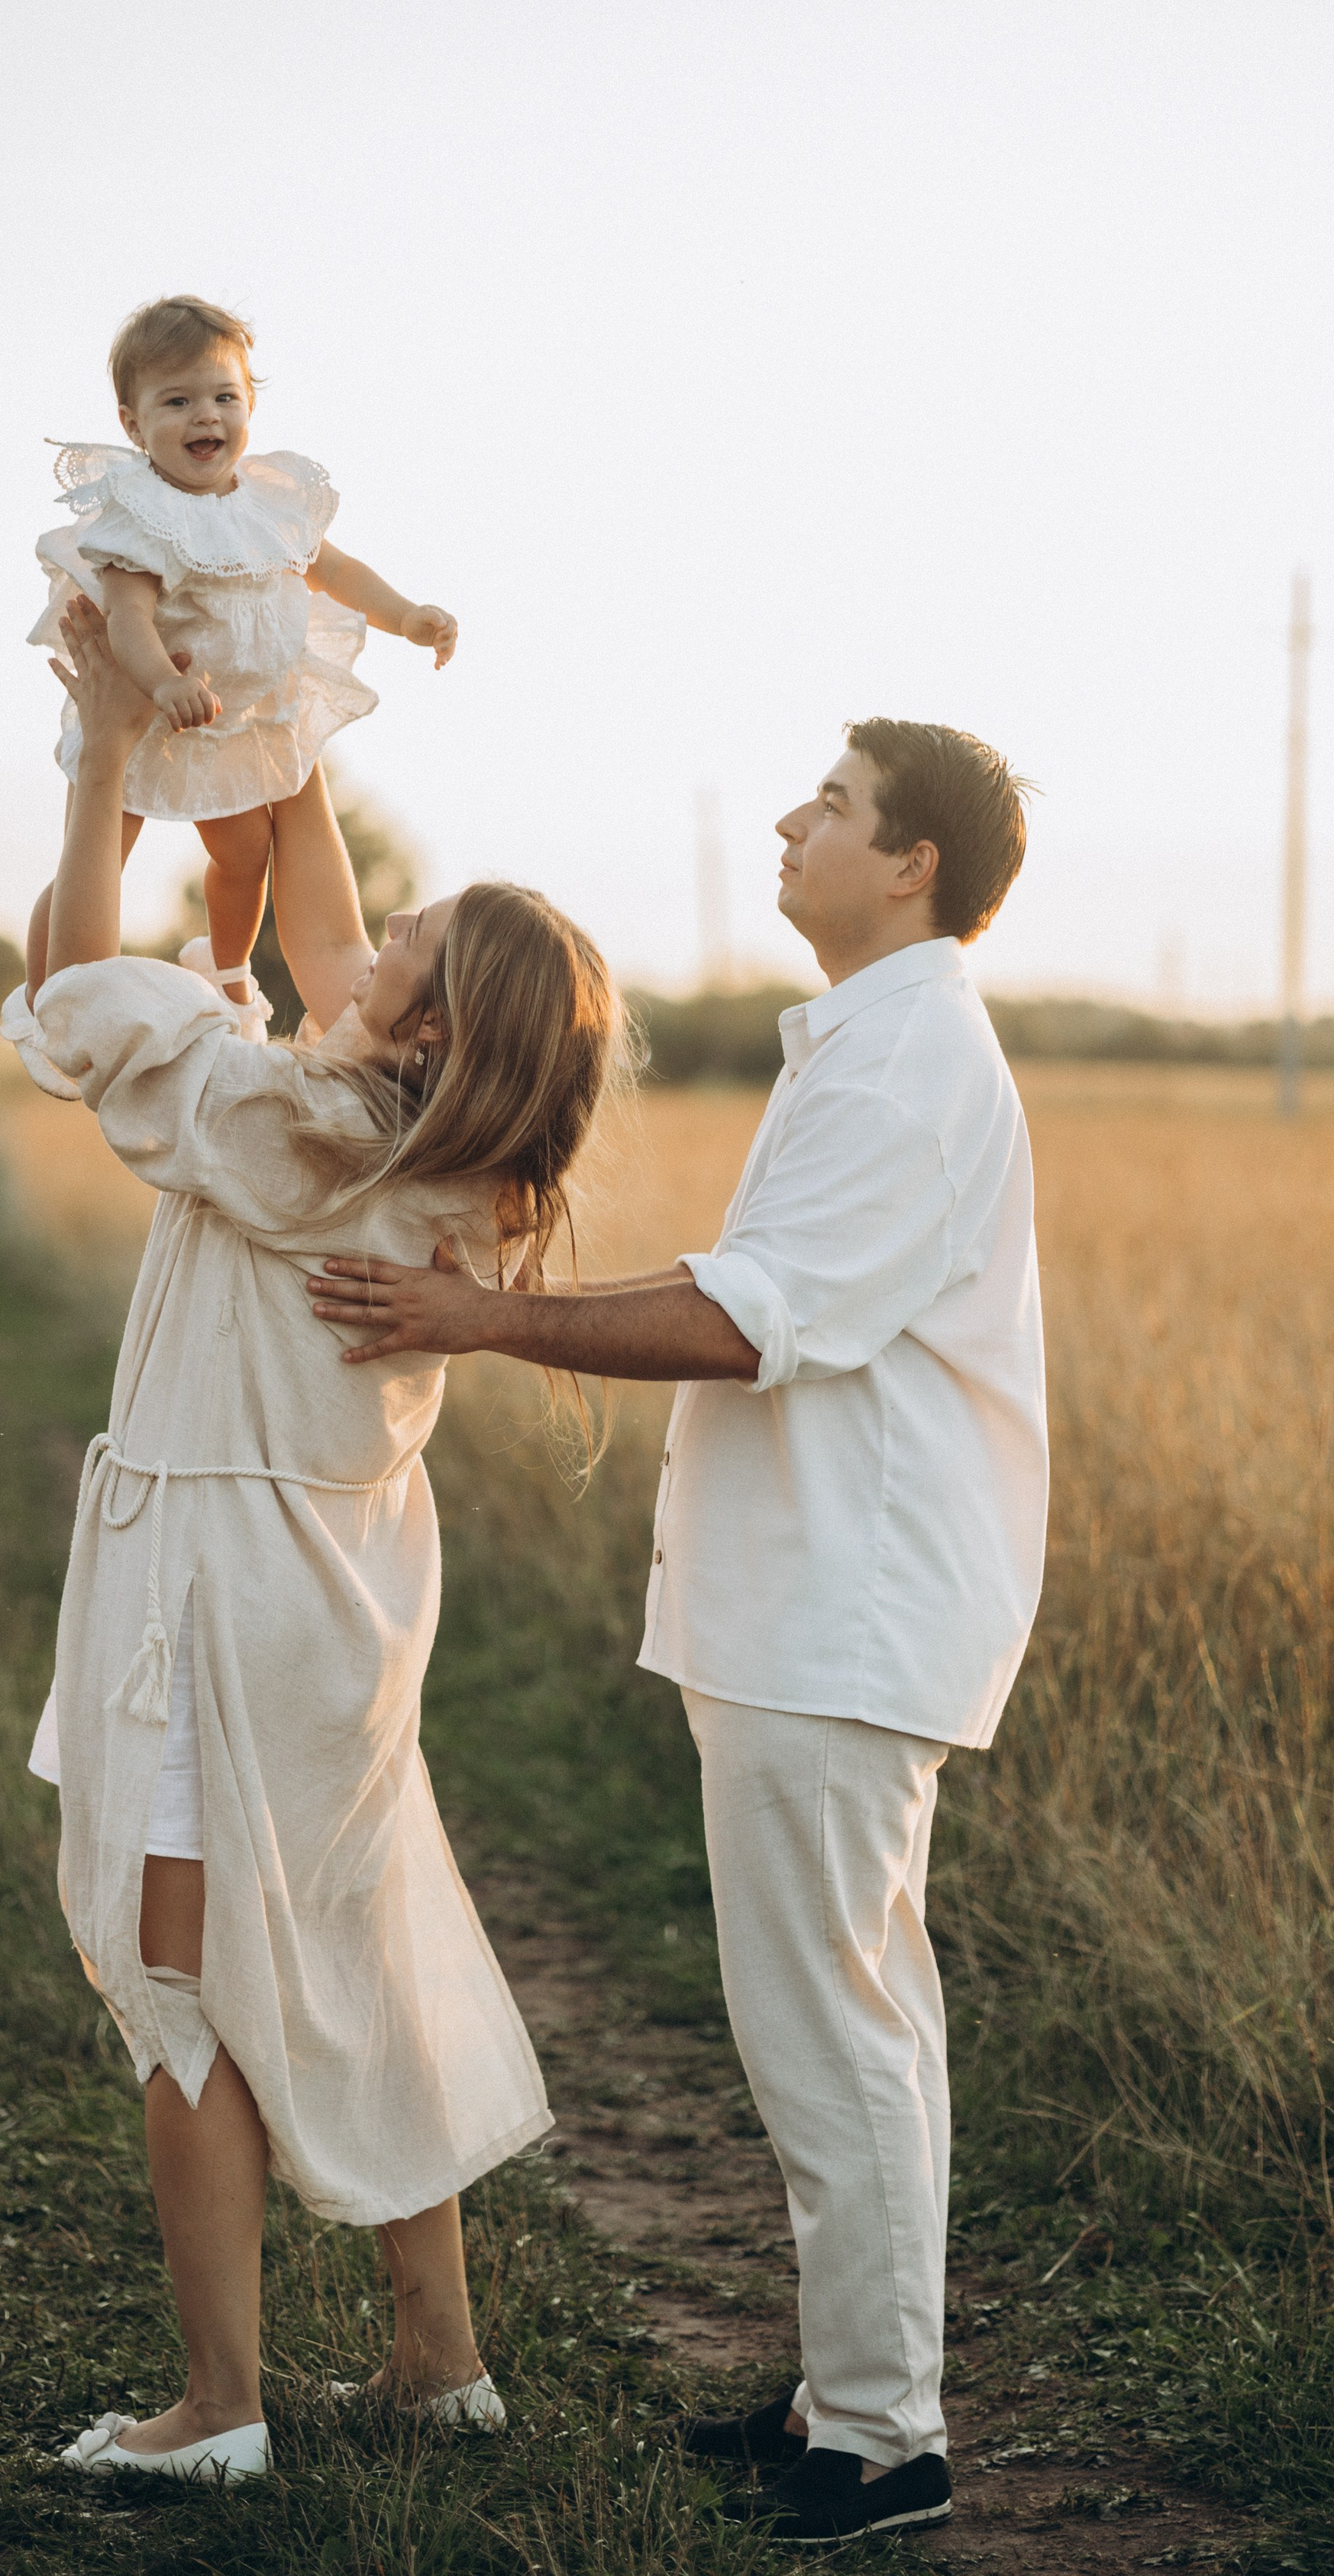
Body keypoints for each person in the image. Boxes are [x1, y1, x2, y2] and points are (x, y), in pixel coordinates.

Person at [306, 719, 1048, 2546]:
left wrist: (483, 1320)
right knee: (844, 2014)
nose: (790, 821)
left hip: (841, 1614)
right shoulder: (877, 1041)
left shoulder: (904, 1065)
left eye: (830, 806)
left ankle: (880, 2441)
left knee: (835, 2029)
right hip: (812, 1610)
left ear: (911, 866)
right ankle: (840, 2389)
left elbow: (748, 1319)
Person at [21, 607, 626, 2488]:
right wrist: (270, 705)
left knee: (183, 1972)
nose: (368, 944)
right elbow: (316, 924)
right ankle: (436, 2359)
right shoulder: (455, 1158)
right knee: (359, 1945)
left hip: (220, 1589)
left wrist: (113, 754)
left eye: (407, 950)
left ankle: (215, 2407)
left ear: (429, 1019)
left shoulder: (287, 1120)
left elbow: (63, 994)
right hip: (343, 1596)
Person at [18, 293, 459, 1029]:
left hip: (238, 717)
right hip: (144, 715)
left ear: (250, 403)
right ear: (133, 423)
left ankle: (229, 976)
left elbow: (338, 572)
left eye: (225, 396)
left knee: (246, 853)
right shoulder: (143, 515)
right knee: (90, 864)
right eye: (177, 401)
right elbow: (126, 620)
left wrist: (407, 617)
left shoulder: (273, 502)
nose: (206, 416)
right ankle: (44, 1000)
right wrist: (164, 681)